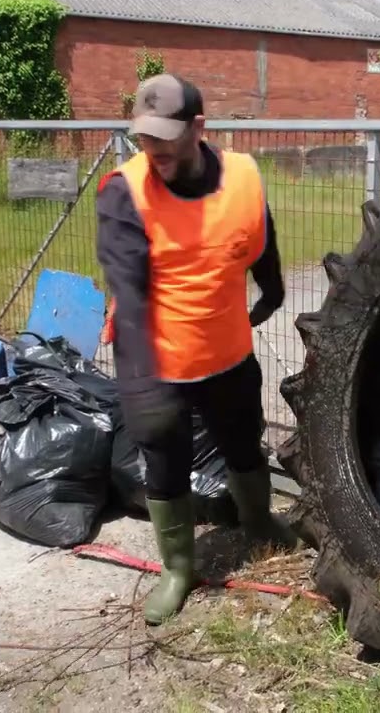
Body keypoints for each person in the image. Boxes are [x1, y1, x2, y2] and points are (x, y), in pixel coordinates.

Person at [95, 73, 297, 626]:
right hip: (155, 359)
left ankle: (259, 523)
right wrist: (144, 380)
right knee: (166, 462)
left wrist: (273, 293)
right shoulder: (123, 192)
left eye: (164, 136)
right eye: (143, 137)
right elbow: (128, 291)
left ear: (198, 127)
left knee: (243, 442)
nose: (152, 149)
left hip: (228, 355)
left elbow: (260, 239)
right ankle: (179, 568)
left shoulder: (243, 177)